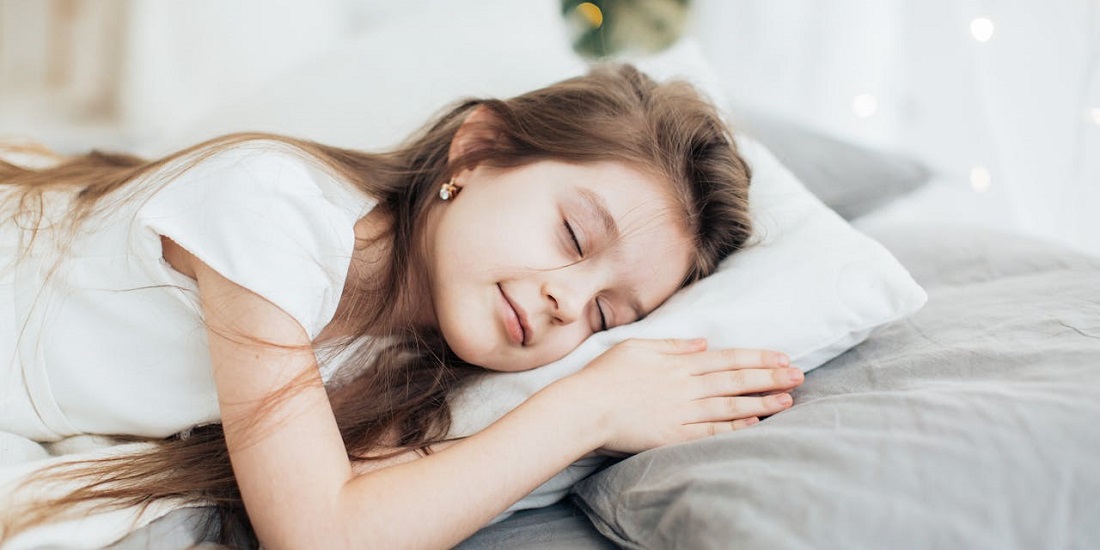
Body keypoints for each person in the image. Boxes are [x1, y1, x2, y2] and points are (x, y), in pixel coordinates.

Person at [0, 64, 804, 548]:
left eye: (607, 317)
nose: (567, 301)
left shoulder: (410, 365)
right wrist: (589, 408)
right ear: (479, 149)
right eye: (570, 234)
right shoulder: (271, 209)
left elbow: (384, 514)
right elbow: (322, 533)